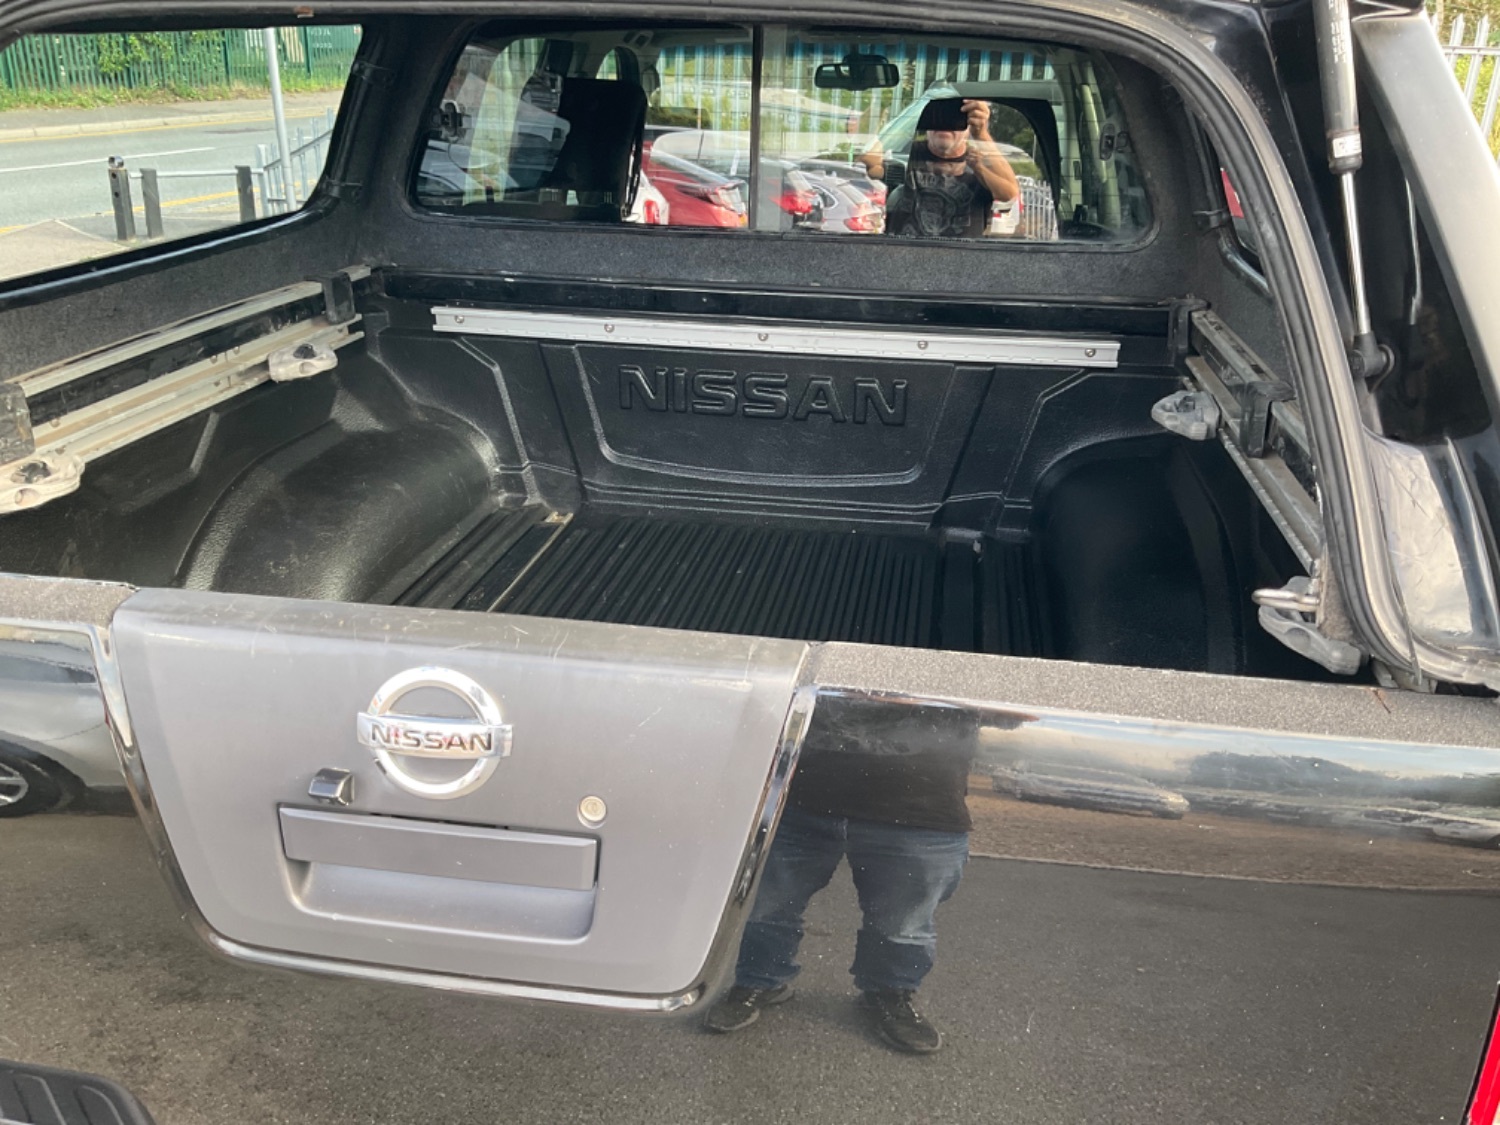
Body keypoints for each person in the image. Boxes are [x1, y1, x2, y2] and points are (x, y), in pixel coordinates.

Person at [703, 699, 978, 1054]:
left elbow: (1012, 708)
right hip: (802, 800)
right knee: (769, 907)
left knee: (903, 923)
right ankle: (759, 982)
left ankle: (889, 994)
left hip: (922, 808)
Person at [865, 97, 1020, 239]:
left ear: (968, 127)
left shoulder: (978, 160)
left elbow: (1010, 193)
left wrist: (981, 134)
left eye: (956, 117)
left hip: (961, 258)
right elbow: (867, 165)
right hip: (901, 254)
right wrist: (896, 125)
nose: (945, 125)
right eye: (937, 116)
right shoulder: (908, 153)